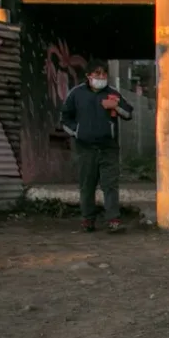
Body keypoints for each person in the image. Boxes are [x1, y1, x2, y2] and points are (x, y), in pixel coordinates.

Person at [60, 58, 134, 233]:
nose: (101, 77)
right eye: (97, 74)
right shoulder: (76, 94)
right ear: (88, 76)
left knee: (110, 184)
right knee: (87, 185)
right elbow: (64, 119)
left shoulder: (112, 93)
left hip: (109, 148)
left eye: (104, 73)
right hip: (85, 148)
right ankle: (88, 219)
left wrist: (116, 106)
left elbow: (129, 113)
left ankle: (113, 219)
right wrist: (77, 131)